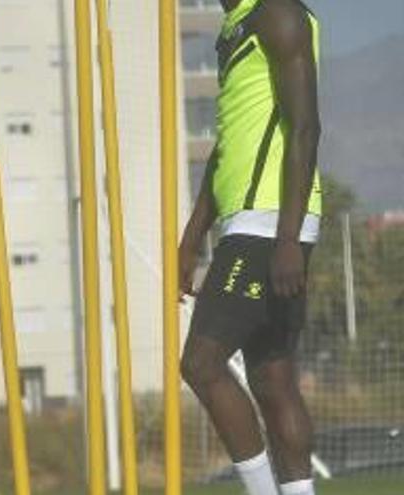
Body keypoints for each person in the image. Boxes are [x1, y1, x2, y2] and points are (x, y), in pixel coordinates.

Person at [178, 1, 322, 494]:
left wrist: (287, 236)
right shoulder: (235, 24)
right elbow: (227, 143)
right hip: (249, 220)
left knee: (201, 363)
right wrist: (194, 234)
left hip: (270, 223)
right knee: (271, 378)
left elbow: (306, 127)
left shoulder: (277, 12)